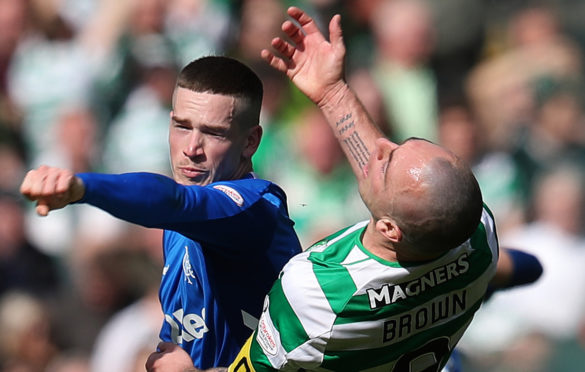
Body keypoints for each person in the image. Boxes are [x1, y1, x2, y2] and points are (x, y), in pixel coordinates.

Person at [144, 7, 542, 372]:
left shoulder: (317, 294)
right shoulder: (477, 243)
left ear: (390, 229)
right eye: (399, 145)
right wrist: (332, 93)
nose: (382, 146)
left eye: (387, 164)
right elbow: (514, 260)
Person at [19, 55, 302, 369]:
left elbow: (176, 201)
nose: (191, 149)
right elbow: (179, 345)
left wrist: (82, 188)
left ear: (250, 141)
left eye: (214, 133)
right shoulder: (179, 226)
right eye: (182, 126)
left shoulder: (254, 209)